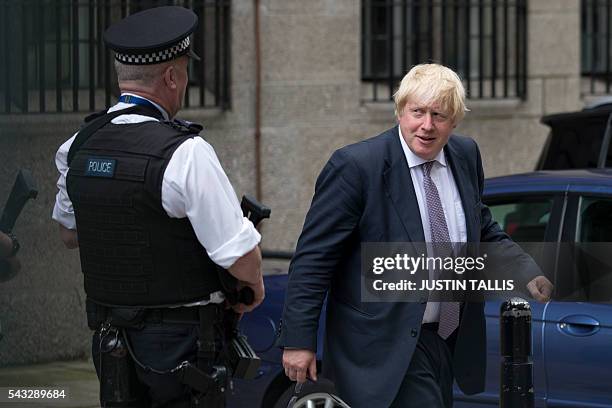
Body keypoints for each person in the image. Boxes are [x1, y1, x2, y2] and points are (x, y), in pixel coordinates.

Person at [278, 64, 553, 408]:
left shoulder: (465, 155)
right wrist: (298, 340)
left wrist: (526, 271)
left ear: (454, 121)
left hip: (447, 340)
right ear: (400, 111)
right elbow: (314, 258)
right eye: (417, 112)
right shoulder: (356, 166)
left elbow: (481, 226)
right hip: (382, 343)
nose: (426, 125)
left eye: (438, 115)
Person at [52, 6, 263, 407]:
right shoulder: (186, 153)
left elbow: (69, 234)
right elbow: (240, 256)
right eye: (184, 73)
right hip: (181, 346)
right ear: (171, 77)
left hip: (111, 339)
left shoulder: (77, 147)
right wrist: (252, 289)